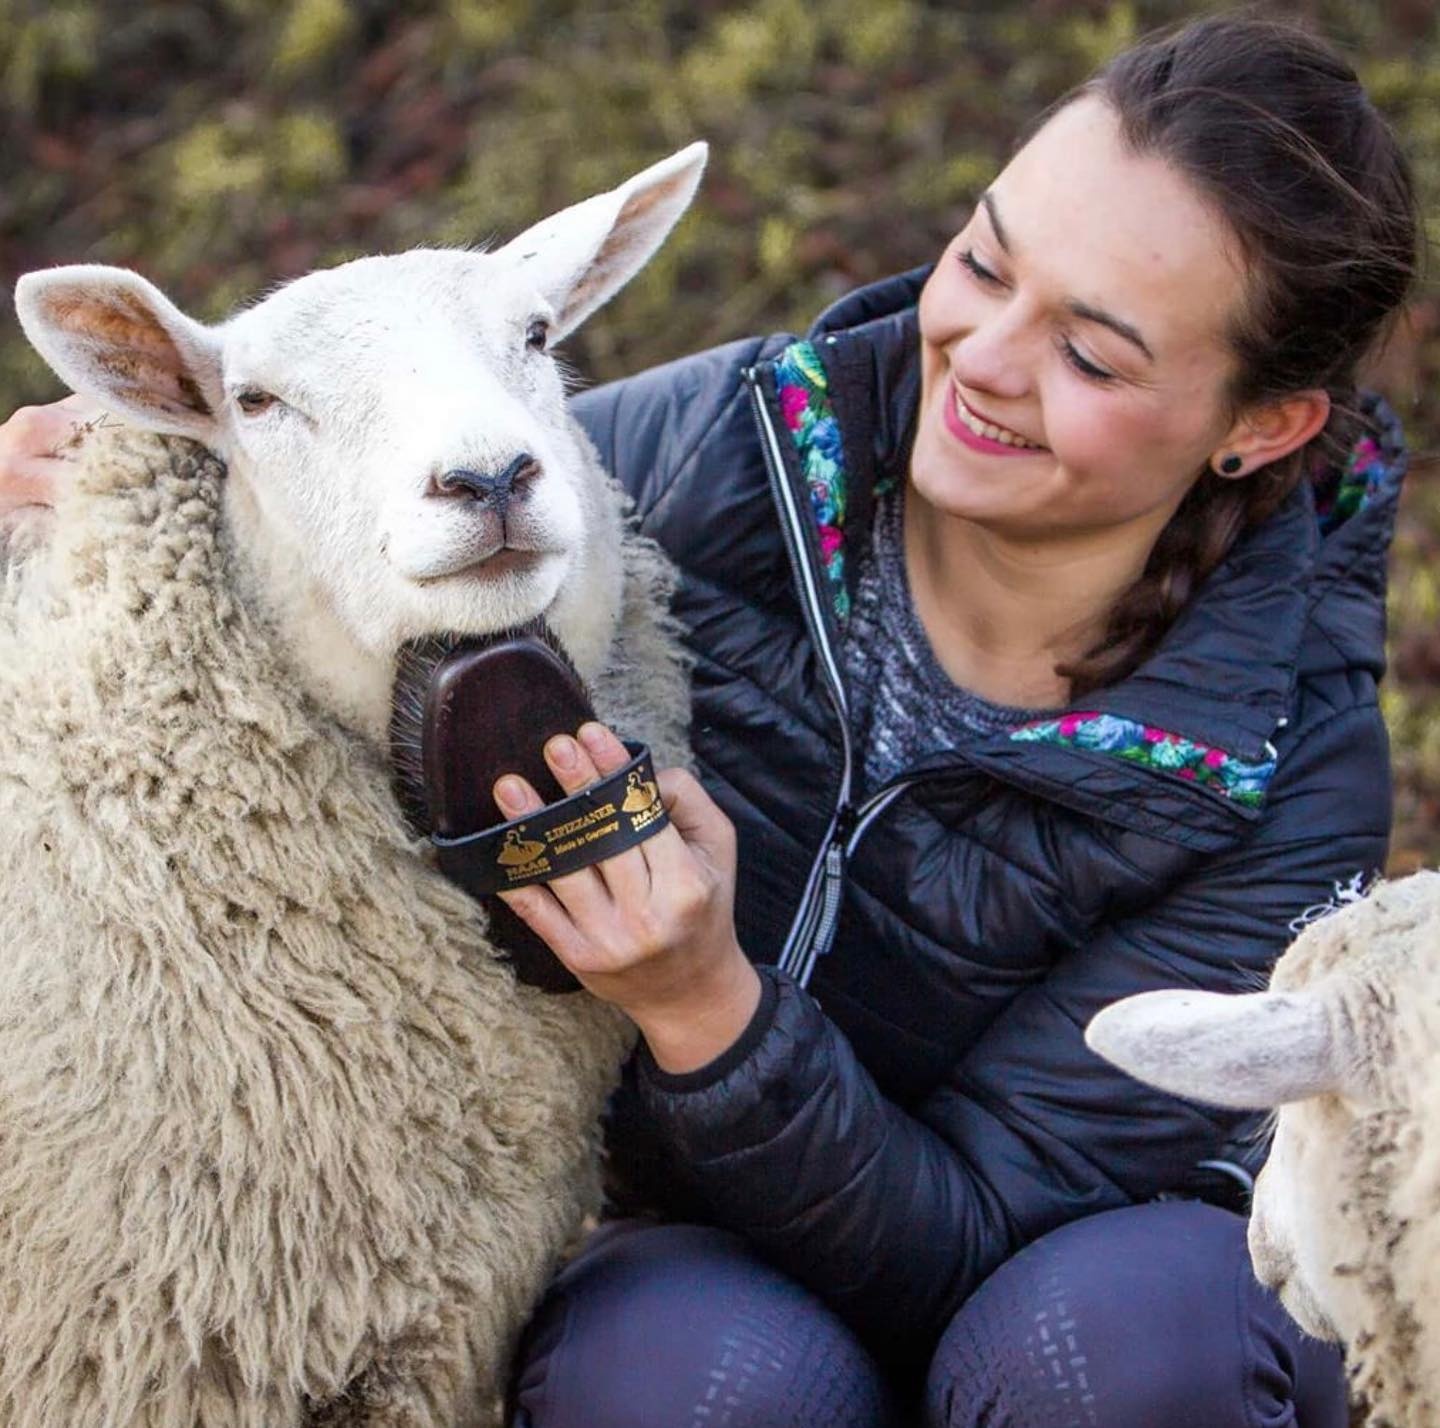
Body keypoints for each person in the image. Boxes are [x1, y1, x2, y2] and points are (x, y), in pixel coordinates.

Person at [0, 15, 1417, 1427]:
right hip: (694, 1249)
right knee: (685, 1380)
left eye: (1092, 356)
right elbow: (348, 522)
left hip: (1065, 1281)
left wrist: (705, 1011)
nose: (981, 355)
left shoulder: (1287, 773)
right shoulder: (693, 460)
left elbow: (991, 1222)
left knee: (1123, 1351)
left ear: (1261, 426)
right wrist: (104, 507)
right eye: (982, 262)